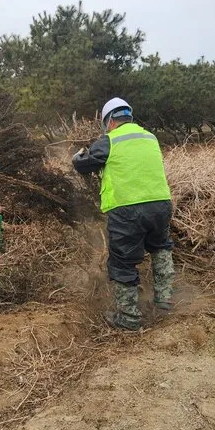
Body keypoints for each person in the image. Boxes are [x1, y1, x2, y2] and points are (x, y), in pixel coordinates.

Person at [72, 97, 174, 331]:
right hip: (161, 206)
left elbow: (83, 164)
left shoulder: (110, 140)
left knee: (122, 260)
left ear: (109, 121)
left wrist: (77, 156)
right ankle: (165, 300)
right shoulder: (150, 137)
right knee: (160, 247)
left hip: (128, 209)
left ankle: (128, 318)